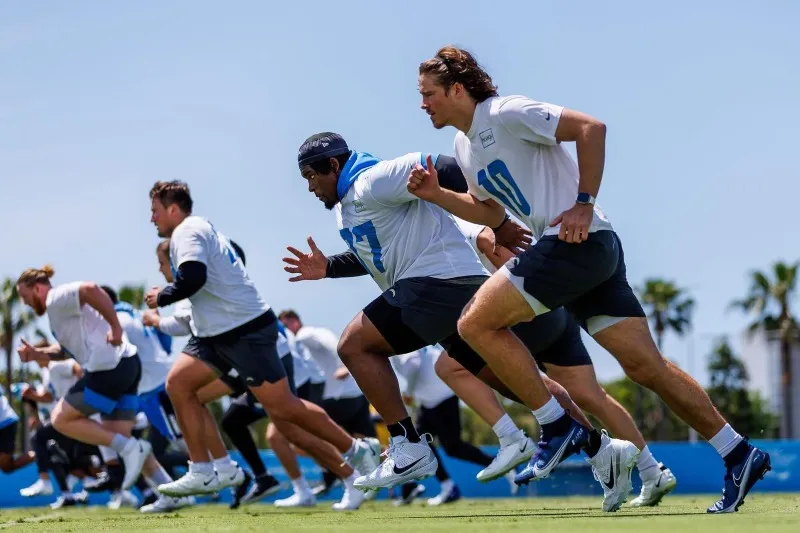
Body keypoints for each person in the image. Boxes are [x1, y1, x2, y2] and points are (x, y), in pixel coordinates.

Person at [410, 45, 769, 513]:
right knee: (647, 369)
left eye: (428, 93)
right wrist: (438, 195)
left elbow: (590, 128)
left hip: (575, 241)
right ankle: (739, 453)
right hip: (586, 253)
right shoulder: (464, 145)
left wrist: (583, 200)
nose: (423, 104)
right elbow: (489, 210)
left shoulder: (505, 111)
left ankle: (556, 424)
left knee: (474, 323)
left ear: (457, 89)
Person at [286, 133, 638, 511]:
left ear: (334, 165)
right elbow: (374, 254)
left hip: (437, 285)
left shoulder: (373, 179)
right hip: (443, 294)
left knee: (354, 345)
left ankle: (407, 445)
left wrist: (499, 221)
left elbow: (446, 167)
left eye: (311, 175)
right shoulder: (350, 205)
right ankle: (603, 451)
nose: (310, 186)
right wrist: (328, 268)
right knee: (522, 385)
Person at [145, 182, 378, 510]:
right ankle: (211, 469)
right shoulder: (199, 231)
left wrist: (162, 297)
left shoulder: (187, 231)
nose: (151, 218)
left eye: (154, 211)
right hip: (218, 334)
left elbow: (193, 278)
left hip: (245, 333)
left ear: (172, 209)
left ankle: (354, 452)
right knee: (179, 386)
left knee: (284, 413)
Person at [445, 216, 677, 506]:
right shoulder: (477, 214)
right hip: (554, 312)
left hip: (532, 315)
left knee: (451, 363)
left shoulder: (468, 223)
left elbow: (508, 266)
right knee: (591, 397)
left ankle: (511, 438)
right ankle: (651, 469)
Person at [16, 267, 151, 492]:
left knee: (60, 419)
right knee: (118, 436)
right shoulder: (58, 311)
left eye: (25, 297)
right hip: (127, 363)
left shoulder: (55, 298)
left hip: (108, 368)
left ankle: (129, 449)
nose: (26, 303)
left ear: (37, 288)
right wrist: (38, 354)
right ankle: (165, 493)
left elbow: (90, 288)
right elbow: (68, 350)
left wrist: (116, 328)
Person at [392, 345, 512, 506]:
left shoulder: (396, 341)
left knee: (452, 448)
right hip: (427, 402)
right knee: (419, 444)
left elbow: (413, 365)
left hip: (442, 398)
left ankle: (503, 465)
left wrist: (408, 393)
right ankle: (441, 487)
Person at [19, 357, 94, 509]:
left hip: (70, 418)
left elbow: (76, 367)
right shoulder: (47, 374)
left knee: (38, 438)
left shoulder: (56, 366)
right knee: (57, 459)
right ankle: (69, 494)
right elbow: (48, 398)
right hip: (65, 421)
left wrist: (83, 387)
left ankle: (46, 481)